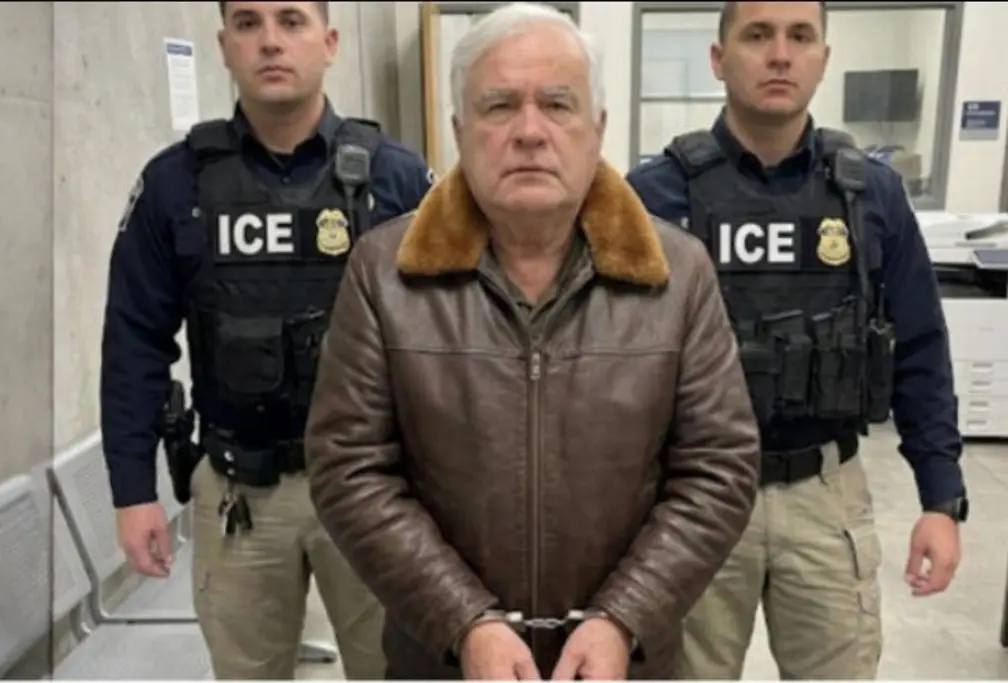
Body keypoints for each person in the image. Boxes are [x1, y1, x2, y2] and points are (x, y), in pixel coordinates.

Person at [302, 3, 761, 679]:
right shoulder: (384, 273)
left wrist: (623, 617)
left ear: (597, 128)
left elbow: (719, 467)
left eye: (557, 104)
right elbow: (349, 468)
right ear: (459, 131)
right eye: (498, 106)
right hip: (444, 660)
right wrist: (465, 621)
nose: (529, 131)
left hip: (623, 663)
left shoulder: (678, 274)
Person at [627, 1, 968, 678]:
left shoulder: (872, 193)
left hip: (825, 492)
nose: (780, 54)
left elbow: (920, 349)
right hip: (693, 495)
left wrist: (941, 498)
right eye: (757, 35)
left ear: (823, 59)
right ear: (719, 59)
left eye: (800, 36)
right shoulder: (651, 196)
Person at [99, 1, 432, 678]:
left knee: (398, 669)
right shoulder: (175, 184)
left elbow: (451, 340)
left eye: (291, 20)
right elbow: (134, 341)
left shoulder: (396, 179)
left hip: (374, 489)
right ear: (224, 45)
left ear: (329, 42)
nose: (270, 42)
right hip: (239, 493)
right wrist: (133, 491)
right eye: (248, 23)